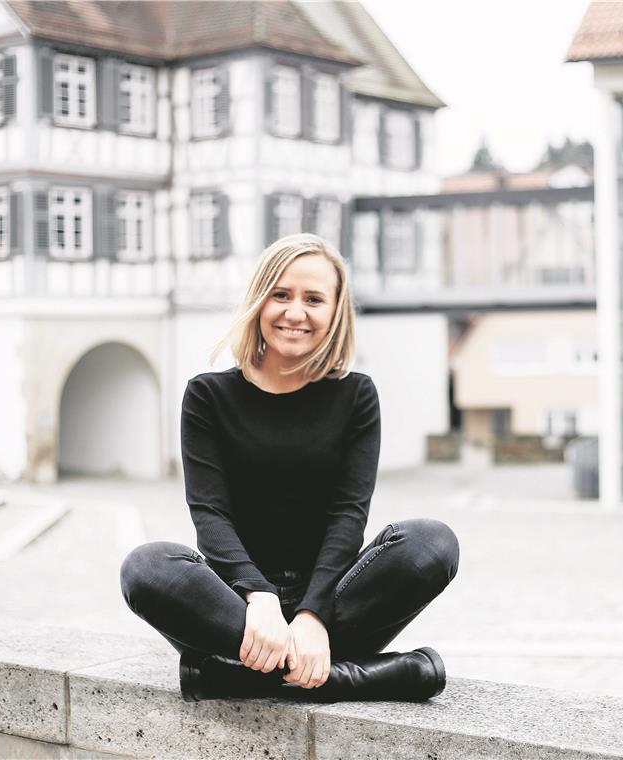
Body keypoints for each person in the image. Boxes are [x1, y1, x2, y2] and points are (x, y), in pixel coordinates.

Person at [119, 233, 459, 703]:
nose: (295, 313)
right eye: (281, 295)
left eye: (313, 299)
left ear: (335, 312)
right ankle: (349, 677)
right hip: (236, 610)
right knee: (145, 568)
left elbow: (348, 516)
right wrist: (259, 600)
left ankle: (226, 676)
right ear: (259, 300)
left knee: (432, 543)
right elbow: (209, 515)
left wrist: (313, 615)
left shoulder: (356, 396)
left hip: (334, 603)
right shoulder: (207, 396)